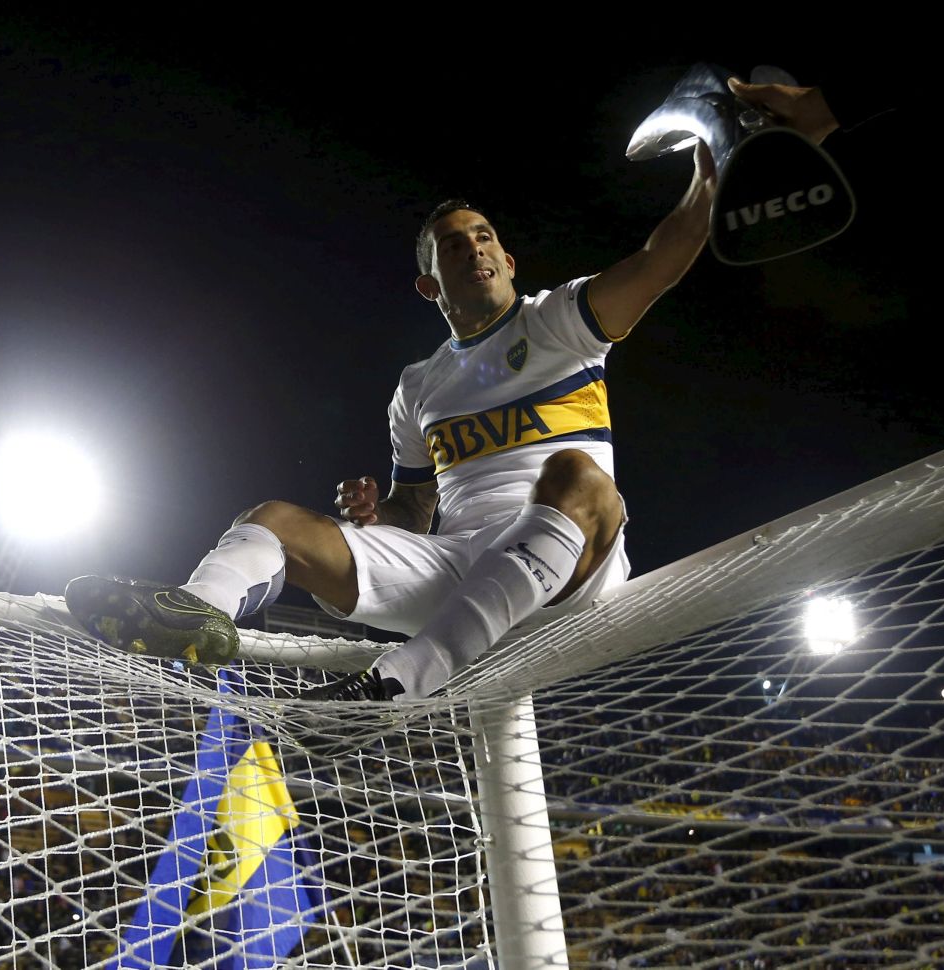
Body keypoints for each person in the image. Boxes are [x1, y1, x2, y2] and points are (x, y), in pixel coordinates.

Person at [66, 140, 717, 702]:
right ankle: (199, 612)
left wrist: (711, 168)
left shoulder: (557, 323)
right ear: (429, 285)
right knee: (272, 519)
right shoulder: (418, 388)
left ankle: (397, 686)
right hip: (463, 577)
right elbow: (416, 515)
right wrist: (380, 517)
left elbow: (666, 254)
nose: (473, 250)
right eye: (452, 247)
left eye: (484, 237)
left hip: (572, 569)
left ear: (509, 263)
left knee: (578, 474)